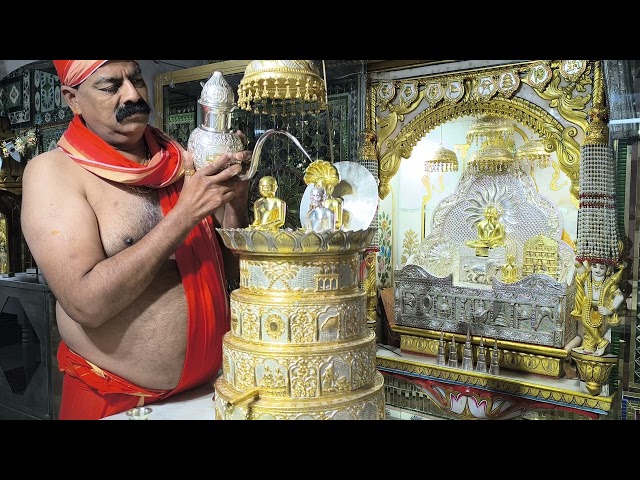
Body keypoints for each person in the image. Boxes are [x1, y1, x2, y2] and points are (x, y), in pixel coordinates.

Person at [20, 60, 252, 420]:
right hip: (118, 403)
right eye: (111, 86)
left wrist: (236, 203)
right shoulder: (54, 173)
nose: (132, 94)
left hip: (210, 392)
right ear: (72, 99)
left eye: (136, 79)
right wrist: (185, 215)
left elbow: (232, 276)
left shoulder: (180, 160)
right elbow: (86, 305)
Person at [571, 261, 625, 356]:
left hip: (602, 308)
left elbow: (619, 296)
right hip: (588, 305)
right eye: (594, 266)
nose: (597, 270)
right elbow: (577, 264)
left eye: (601, 267)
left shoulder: (609, 282)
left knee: (599, 328)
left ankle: (597, 344)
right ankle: (596, 344)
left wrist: (610, 310)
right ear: (590, 267)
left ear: (607, 270)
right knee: (586, 324)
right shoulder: (587, 277)